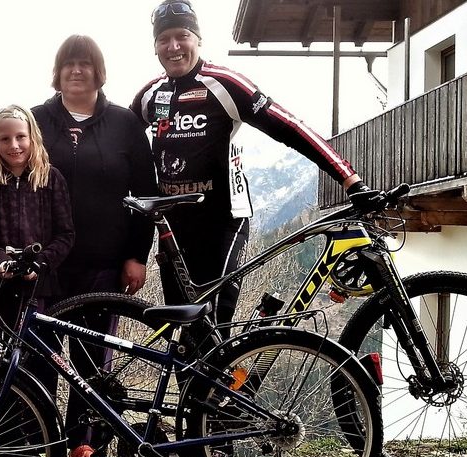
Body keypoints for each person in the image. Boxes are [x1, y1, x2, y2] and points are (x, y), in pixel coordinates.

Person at [131, 0, 367, 327]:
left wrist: (348, 178)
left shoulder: (225, 83)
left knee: (213, 323)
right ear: (155, 46)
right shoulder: (150, 94)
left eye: (182, 36)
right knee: (183, 331)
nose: (173, 46)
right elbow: (119, 144)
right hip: (173, 227)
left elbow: (289, 127)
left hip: (223, 220)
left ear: (198, 39)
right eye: (164, 39)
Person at [31, 35, 158, 457]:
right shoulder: (36, 120)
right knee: (36, 358)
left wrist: (136, 255)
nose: (77, 71)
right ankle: (29, 454)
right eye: (69, 64)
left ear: (99, 72)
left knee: (91, 362)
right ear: (58, 71)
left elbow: (145, 195)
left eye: (86, 64)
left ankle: (85, 450)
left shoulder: (125, 124)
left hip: (104, 262)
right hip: (45, 263)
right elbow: (7, 168)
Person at [0, 104, 74, 457]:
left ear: (33, 137)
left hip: (40, 293)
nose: (14, 145)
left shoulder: (51, 179)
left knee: (37, 374)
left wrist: (40, 265)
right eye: (5, 138)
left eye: (21, 137)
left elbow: (65, 234)